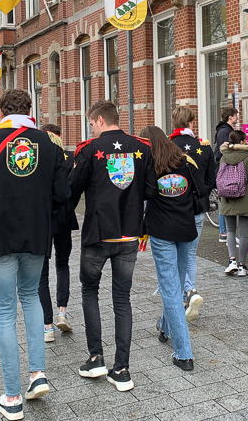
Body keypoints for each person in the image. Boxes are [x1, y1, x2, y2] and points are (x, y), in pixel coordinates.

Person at [0, 89, 70, 420]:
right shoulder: (50, 144)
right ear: (30, 109)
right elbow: (62, 193)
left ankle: (12, 396)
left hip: (1, 235)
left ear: (1, 111)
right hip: (36, 234)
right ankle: (38, 375)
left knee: (6, 312)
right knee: (31, 298)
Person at [70, 100, 157, 393]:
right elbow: (151, 190)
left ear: (99, 120)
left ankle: (96, 358)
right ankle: (121, 369)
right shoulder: (142, 148)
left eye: (91, 124)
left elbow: (71, 191)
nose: (91, 129)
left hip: (98, 234)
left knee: (89, 291)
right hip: (129, 233)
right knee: (122, 299)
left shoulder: (89, 150)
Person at [141, 125, 202, 372]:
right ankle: (165, 327)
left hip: (162, 232)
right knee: (175, 282)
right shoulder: (184, 162)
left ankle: (184, 353)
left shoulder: (150, 168)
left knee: (170, 290)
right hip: (186, 230)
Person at [168, 106, 215, 321]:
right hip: (197, 206)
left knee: (175, 253)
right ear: (191, 123)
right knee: (190, 254)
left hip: (174, 207)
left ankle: (183, 294)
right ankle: (190, 291)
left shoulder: (168, 146)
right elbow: (212, 179)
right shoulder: (203, 146)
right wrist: (201, 192)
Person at [38, 124, 79, 344]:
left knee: (41, 274)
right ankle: (62, 311)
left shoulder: (38, 157)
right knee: (62, 265)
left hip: (42, 219)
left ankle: (47, 326)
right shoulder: (70, 157)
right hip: (64, 216)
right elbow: (75, 188)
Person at [218, 130, 248, 277]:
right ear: (242, 142)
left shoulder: (224, 157)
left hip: (227, 197)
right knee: (243, 234)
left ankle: (232, 261)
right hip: (244, 197)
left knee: (230, 230)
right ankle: (242, 266)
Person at [213, 106, 239, 242]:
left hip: (225, 167)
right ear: (230, 117)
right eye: (235, 115)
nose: (237, 117)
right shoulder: (225, 131)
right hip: (224, 169)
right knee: (224, 201)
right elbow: (224, 151)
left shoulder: (226, 130)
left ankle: (226, 232)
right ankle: (223, 233)